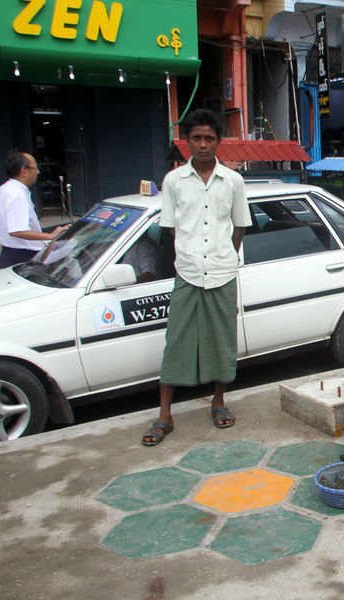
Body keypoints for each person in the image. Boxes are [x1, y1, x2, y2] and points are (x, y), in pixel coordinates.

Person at [141, 109, 251, 446]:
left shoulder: (233, 181)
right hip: (187, 273)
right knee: (177, 341)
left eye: (209, 138)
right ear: (186, 141)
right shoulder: (173, 181)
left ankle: (219, 402)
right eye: (196, 138)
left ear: (219, 142)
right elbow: (169, 229)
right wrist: (188, 258)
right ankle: (165, 414)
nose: (202, 145)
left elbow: (240, 226)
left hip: (221, 271)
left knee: (221, 340)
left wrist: (225, 256)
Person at [0, 150, 69, 268]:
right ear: (24, 170)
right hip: (22, 255)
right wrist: (50, 236)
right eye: (35, 168)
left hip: (11, 251)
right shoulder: (16, 194)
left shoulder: (3, 190)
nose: (38, 172)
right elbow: (17, 230)